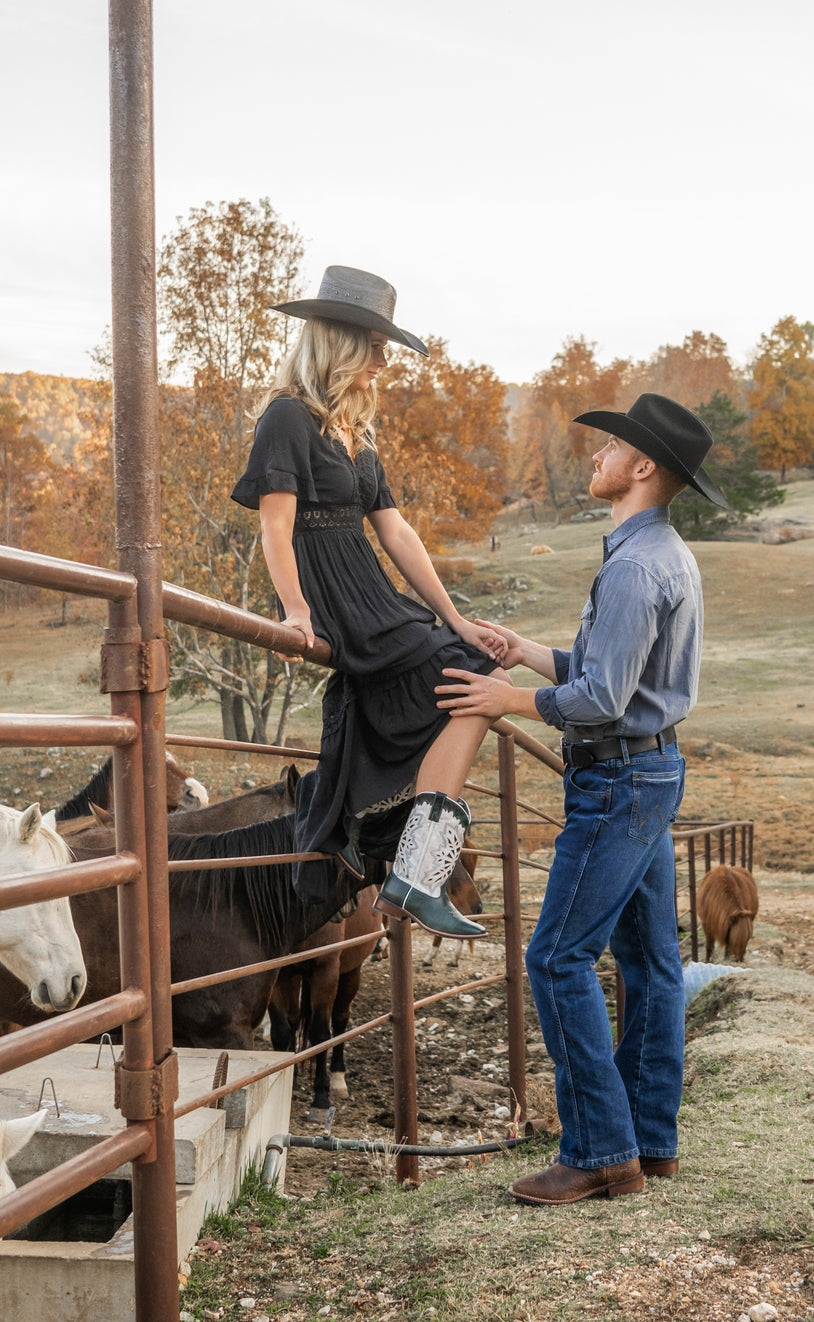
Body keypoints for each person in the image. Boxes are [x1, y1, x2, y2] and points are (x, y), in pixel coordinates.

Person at [436, 392, 727, 1205]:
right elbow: (614, 673)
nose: (596, 454)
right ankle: (650, 1139)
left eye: (611, 448)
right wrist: (525, 652)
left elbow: (602, 699)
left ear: (642, 468)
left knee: (555, 955)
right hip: (651, 771)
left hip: (619, 779)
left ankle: (601, 1149)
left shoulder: (635, 565)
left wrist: (504, 701)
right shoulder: (664, 551)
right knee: (650, 963)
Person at [231, 265, 510, 940]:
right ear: (339, 344)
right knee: (476, 678)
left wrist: (453, 616)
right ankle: (413, 868)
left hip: (371, 590)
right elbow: (275, 525)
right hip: (332, 594)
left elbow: (396, 531)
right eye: (375, 347)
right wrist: (295, 610)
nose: (385, 362)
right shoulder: (287, 417)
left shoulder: (359, 435)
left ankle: (395, 852)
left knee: (476, 663)